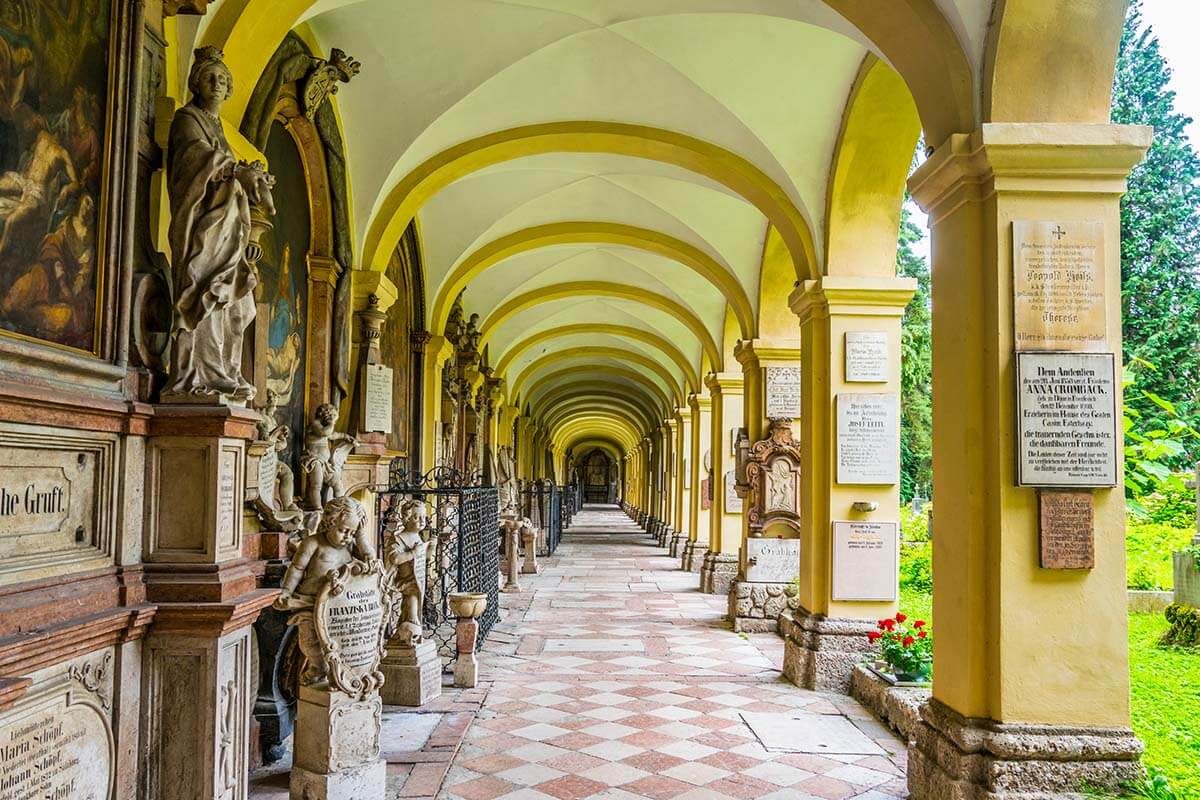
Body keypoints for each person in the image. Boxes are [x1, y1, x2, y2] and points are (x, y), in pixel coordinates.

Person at [163, 46, 274, 402]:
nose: (216, 83)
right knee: (206, 297)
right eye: (210, 77)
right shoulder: (186, 119)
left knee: (241, 306)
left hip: (229, 227)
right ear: (197, 82)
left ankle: (225, 370)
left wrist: (246, 175)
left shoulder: (217, 127)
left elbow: (224, 166)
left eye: (223, 79)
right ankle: (199, 374)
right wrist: (232, 169)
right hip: (204, 230)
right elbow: (191, 161)